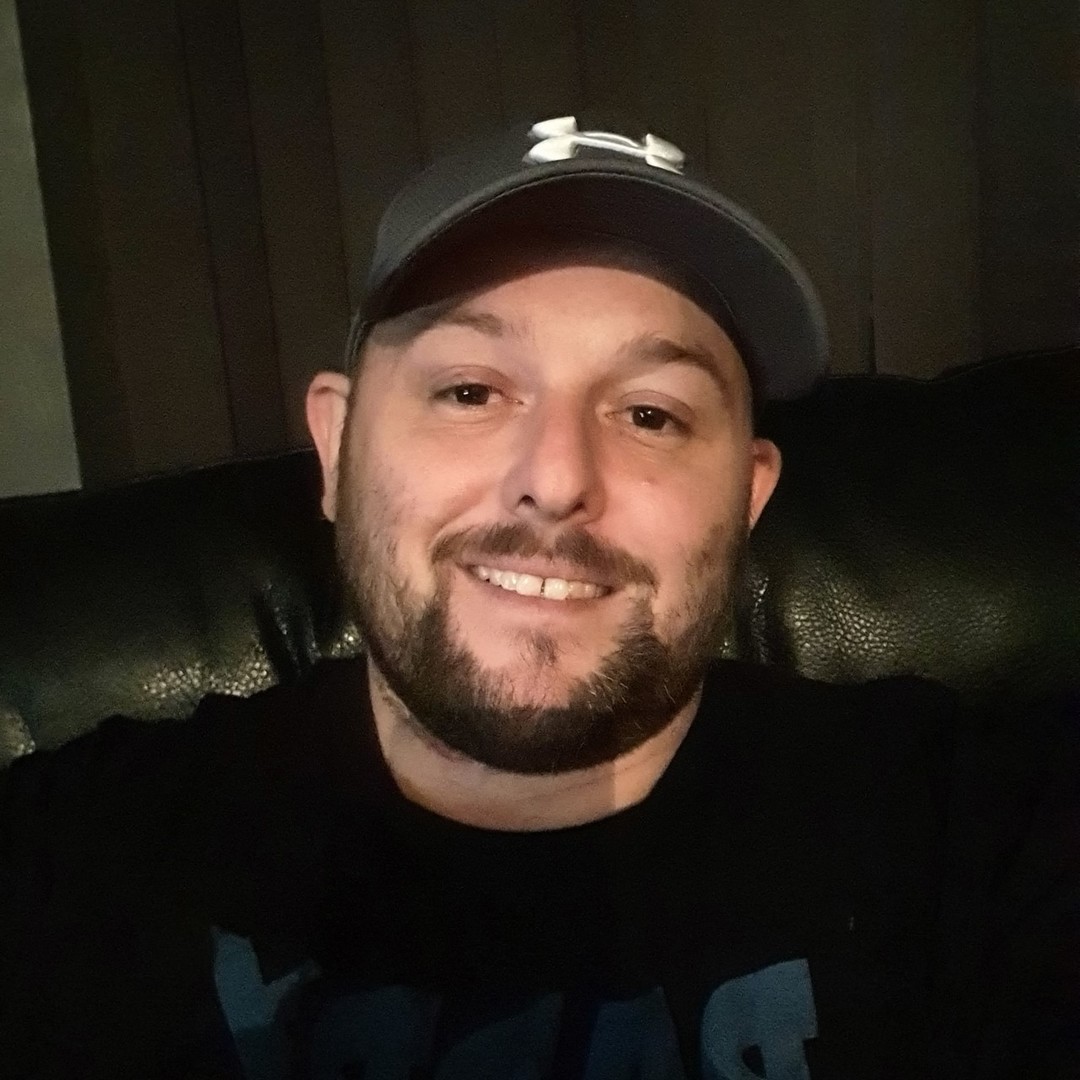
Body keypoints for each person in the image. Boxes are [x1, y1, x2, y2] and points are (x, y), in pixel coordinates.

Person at [1, 115, 1077, 1079]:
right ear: (336, 447)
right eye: (470, 391)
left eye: (651, 414)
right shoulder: (84, 864)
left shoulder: (973, 837)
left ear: (748, 498)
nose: (557, 479)